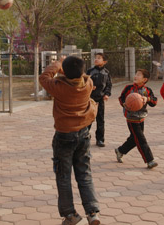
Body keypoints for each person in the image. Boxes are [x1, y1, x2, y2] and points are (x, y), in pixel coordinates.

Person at [39, 56, 101, 225]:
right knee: (85, 174)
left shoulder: (58, 87)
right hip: (83, 134)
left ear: (65, 72)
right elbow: (81, 75)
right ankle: (93, 212)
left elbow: (44, 77)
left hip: (64, 136)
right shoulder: (88, 84)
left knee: (63, 176)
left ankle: (70, 215)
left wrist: (58, 63)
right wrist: (65, 69)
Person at [115, 69, 158, 169]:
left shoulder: (147, 90)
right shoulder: (128, 88)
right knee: (141, 139)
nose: (135, 76)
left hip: (141, 117)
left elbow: (154, 102)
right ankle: (149, 160)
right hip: (131, 118)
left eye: (139, 75)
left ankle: (120, 150)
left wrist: (147, 99)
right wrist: (124, 104)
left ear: (145, 79)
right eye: (136, 74)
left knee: (135, 139)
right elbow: (121, 98)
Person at [86, 53, 112, 147]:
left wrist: (107, 94)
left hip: (100, 99)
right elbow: (83, 82)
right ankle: (84, 138)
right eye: (95, 58)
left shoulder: (106, 72)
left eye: (99, 58)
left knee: (100, 120)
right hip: (89, 99)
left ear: (104, 61)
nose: (96, 59)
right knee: (88, 119)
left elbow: (109, 85)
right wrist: (89, 87)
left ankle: (100, 140)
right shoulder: (90, 71)